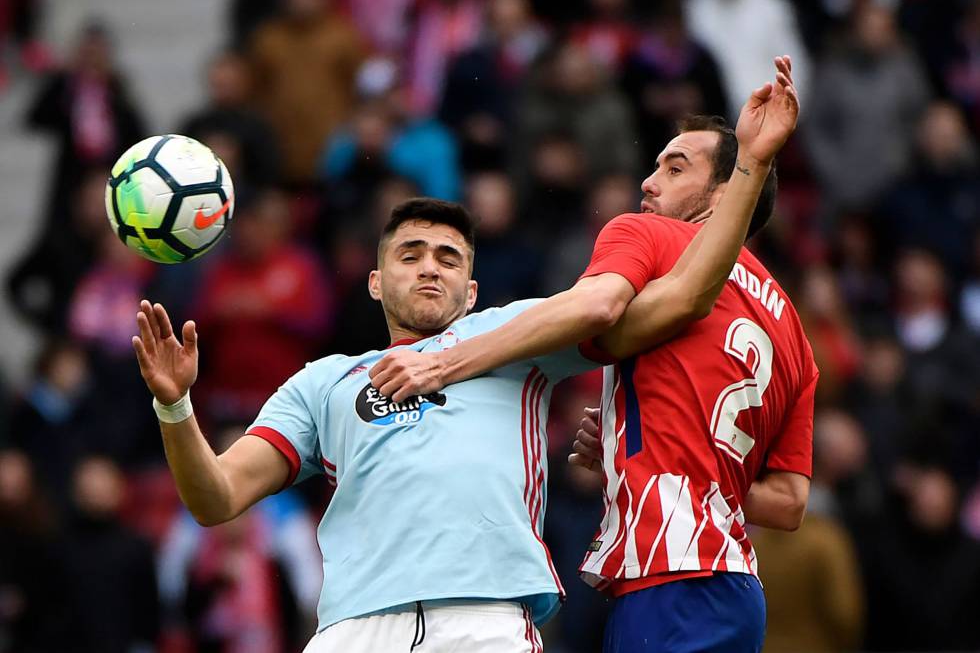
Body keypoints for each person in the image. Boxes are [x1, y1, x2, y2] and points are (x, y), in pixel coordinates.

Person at [131, 61, 790, 649]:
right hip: (355, 630)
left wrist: (746, 175)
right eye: (409, 255)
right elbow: (216, 498)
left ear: (472, 289)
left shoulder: (521, 332)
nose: (428, 269)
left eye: (448, 259)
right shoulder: (322, 383)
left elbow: (675, 301)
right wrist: (174, 404)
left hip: (487, 623)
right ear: (374, 280)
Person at [370, 56, 807, 652]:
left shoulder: (649, 234)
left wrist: (441, 362)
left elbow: (593, 308)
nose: (649, 182)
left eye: (674, 168)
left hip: (670, 571)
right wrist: (647, 451)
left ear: (727, 193)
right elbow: (786, 503)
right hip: (736, 586)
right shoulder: (792, 329)